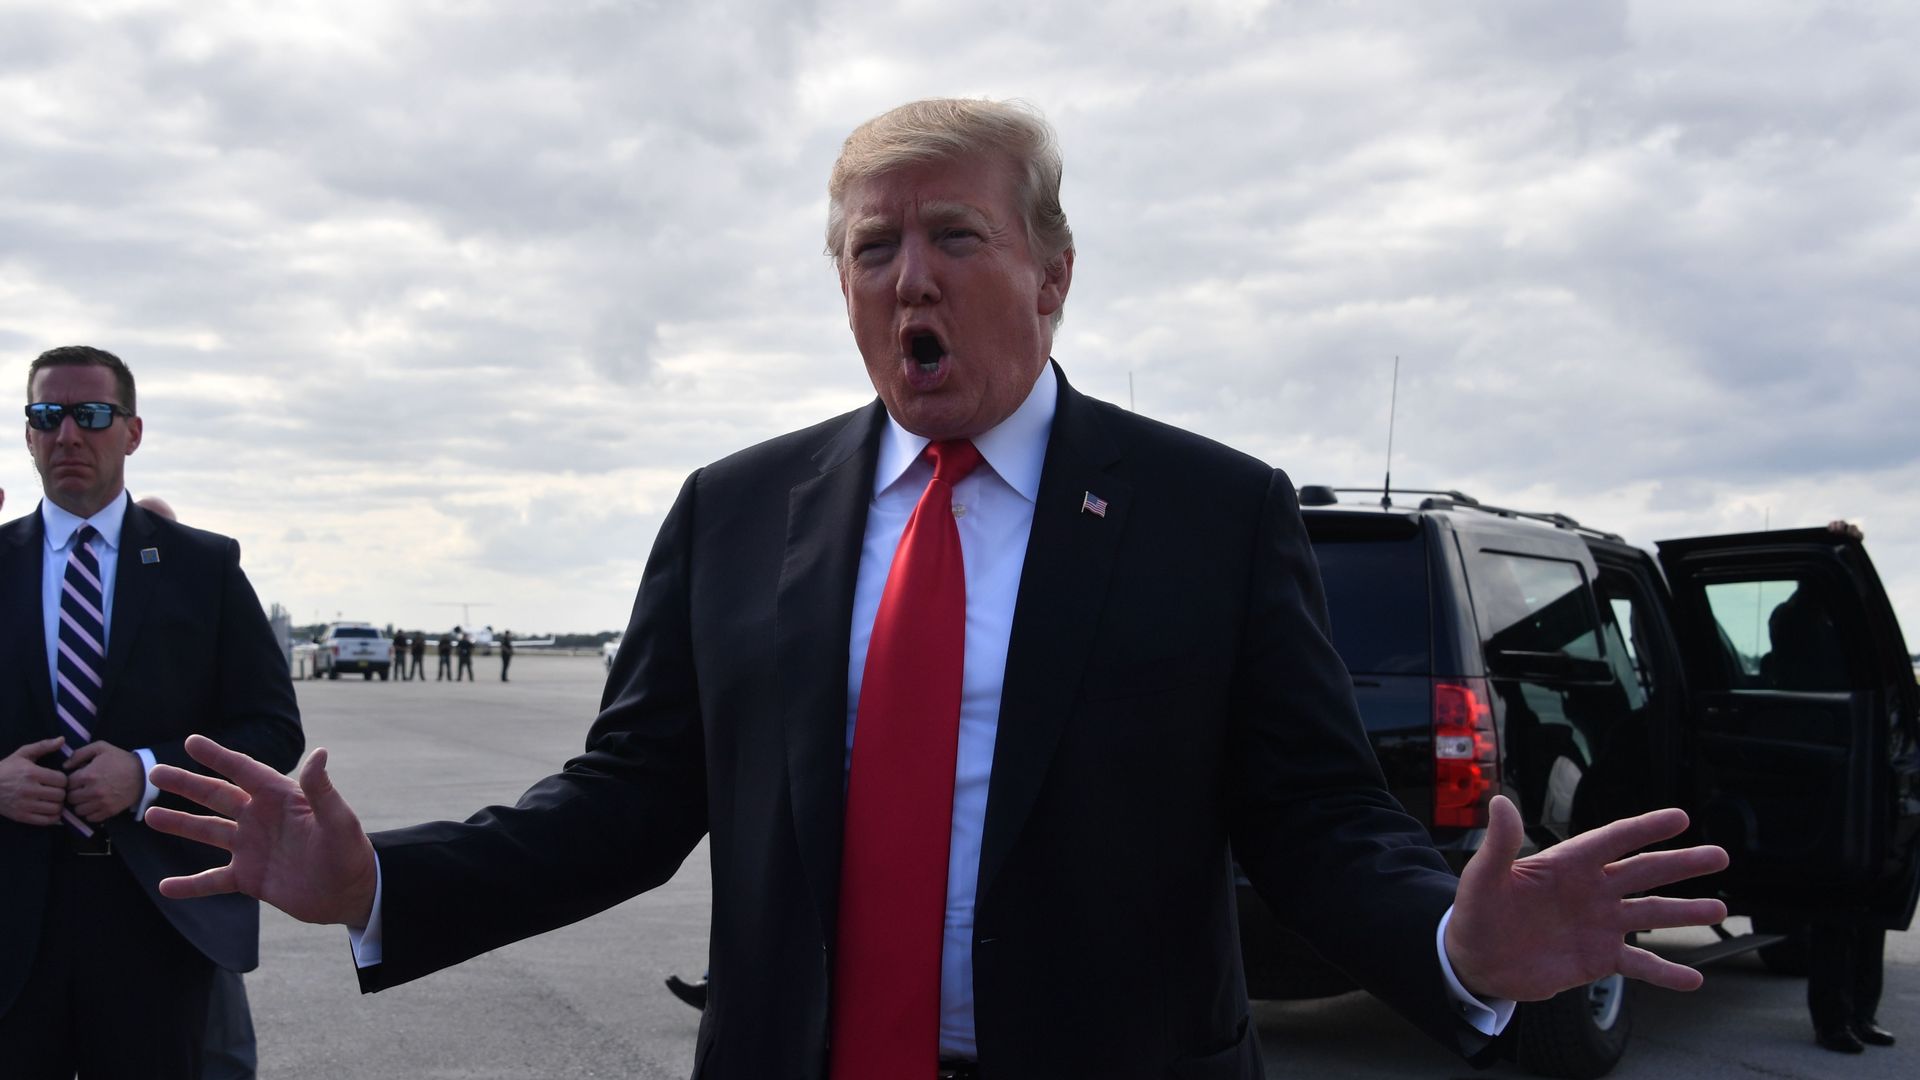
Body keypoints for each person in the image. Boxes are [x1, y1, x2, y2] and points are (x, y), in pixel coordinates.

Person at [147, 101, 1728, 1079]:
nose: (910, 278)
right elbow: (625, 803)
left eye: (954, 237)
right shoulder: (736, 511)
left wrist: (1456, 949)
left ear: (1051, 269)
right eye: (870, 247)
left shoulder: (1210, 511)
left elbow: (1314, 822)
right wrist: (379, 885)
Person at [1, 345, 304, 1079]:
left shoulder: (205, 567)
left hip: (156, 915)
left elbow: (273, 728)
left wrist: (147, 774)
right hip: (10, 919)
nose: (68, 435)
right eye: (48, 416)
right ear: (29, 432)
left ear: (132, 432)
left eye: (92, 415)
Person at [134, 494, 263, 1080]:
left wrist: (145, 771)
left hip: (189, 876)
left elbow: (268, 727)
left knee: (217, 1044)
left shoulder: (207, 605)